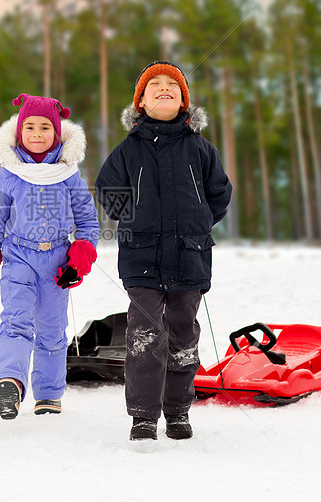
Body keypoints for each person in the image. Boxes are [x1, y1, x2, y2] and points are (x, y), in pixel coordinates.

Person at [95, 61, 232, 440]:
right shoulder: (126, 151)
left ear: (183, 100)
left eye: (172, 84)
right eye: (154, 84)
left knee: (182, 333)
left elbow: (219, 194)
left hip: (190, 257)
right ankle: (143, 416)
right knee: (145, 335)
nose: (164, 88)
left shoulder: (201, 149)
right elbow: (108, 189)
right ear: (141, 101)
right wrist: (135, 221)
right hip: (141, 259)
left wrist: (198, 222)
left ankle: (177, 411)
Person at [0, 93, 100, 420]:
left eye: (45, 127)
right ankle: (8, 383)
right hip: (18, 259)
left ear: (57, 134)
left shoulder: (68, 174)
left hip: (57, 261)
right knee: (16, 323)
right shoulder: (8, 174)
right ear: (19, 132)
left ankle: (48, 393)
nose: (37, 134)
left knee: (52, 330)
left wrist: (78, 260)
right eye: (30, 126)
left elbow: (87, 221)